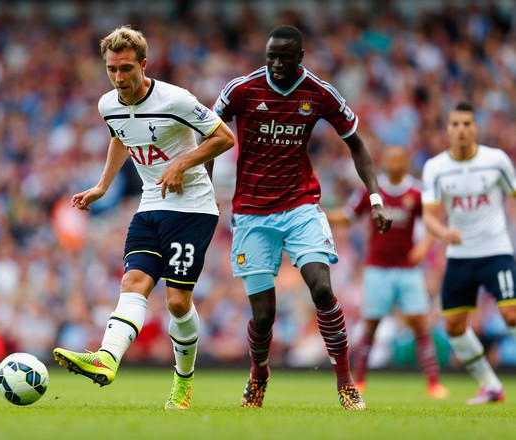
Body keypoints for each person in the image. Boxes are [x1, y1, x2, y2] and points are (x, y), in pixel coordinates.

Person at [52, 26, 235, 410]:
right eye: (112, 69)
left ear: (144, 64)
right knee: (133, 282)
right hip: (150, 206)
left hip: (192, 209)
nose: (119, 78)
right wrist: (102, 186)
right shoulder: (107, 105)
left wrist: (182, 162)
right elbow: (121, 135)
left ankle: (182, 384)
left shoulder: (176, 99)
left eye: (126, 69)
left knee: (177, 303)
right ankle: (107, 357)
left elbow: (223, 138)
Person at [213, 25, 391, 410]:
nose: (276, 63)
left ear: (300, 58)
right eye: (270, 56)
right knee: (264, 316)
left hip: (300, 206)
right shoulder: (242, 90)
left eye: (284, 57)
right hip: (251, 213)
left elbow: (357, 145)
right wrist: (205, 193)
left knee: (322, 288)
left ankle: (345, 383)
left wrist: (374, 197)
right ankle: (258, 374)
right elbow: (208, 134)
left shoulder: (319, 93)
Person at [327, 146, 449, 399]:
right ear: (384, 162)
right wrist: (319, 213)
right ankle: (359, 380)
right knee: (371, 325)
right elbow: (349, 216)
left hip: (407, 269)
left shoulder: (416, 192)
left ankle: (433, 383)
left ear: (405, 162)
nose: (394, 163)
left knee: (420, 324)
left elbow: (431, 222)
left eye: (399, 159)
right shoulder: (372, 191)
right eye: (390, 159)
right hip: (378, 268)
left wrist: (424, 247)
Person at [421, 102, 516, 404]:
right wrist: (442, 232)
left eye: (466, 124)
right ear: (447, 129)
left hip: (496, 251)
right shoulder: (435, 168)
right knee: (454, 326)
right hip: (460, 256)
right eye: (455, 124)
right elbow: (429, 215)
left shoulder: (496, 160)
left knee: (511, 314)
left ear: (475, 128)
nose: (461, 129)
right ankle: (490, 385)